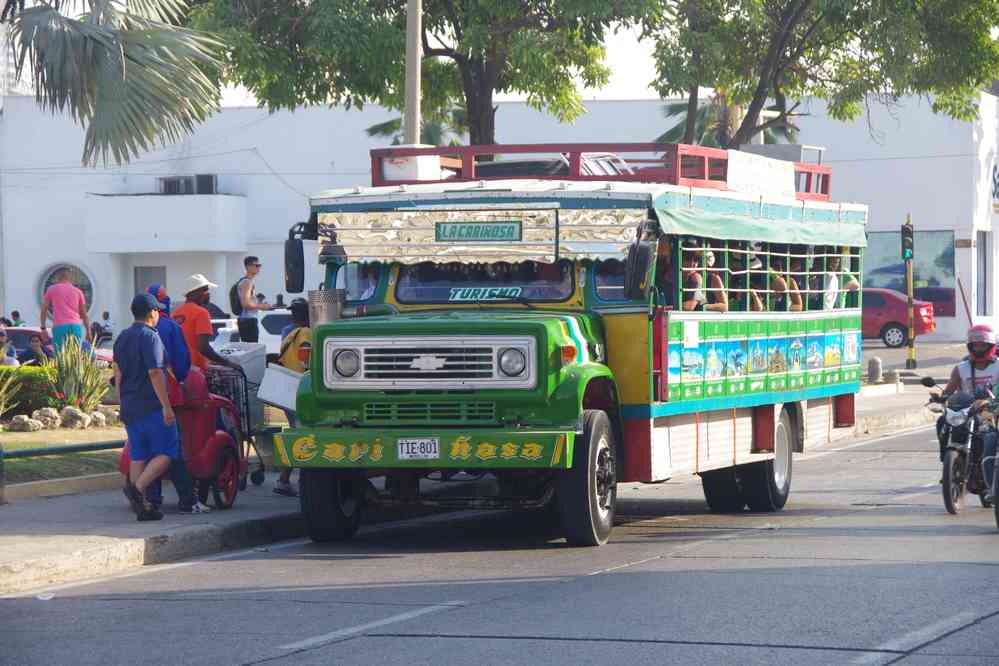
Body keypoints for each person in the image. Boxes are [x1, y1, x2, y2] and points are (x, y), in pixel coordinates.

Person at [142, 284, 210, 515]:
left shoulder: (127, 333)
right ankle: (187, 500)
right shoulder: (170, 326)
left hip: (140, 400)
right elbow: (181, 364)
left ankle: (152, 498)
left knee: (148, 450)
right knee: (173, 449)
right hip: (168, 397)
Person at [114, 293, 177, 522]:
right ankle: (137, 489)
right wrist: (167, 407)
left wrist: (122, 403)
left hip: (130, 405)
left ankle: (143, 507)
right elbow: (155, 372)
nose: (158, 314)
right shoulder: (151, 337)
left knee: (138, 455)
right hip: (151, 405)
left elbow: (118, 373)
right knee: (167, 452)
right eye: (157, 311)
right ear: (152, 313)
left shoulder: (122, 337)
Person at [934, 324, 999, 499]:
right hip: (966, 410)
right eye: (976, 345)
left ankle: (988, 478)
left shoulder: (998, 367)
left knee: (988, 438)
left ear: (991, 346)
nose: (979, 349)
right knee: (942, 422)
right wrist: (941, 397)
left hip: (989, 412)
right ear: (970, 346)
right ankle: (948, 460)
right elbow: (949, 389)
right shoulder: (961, 368)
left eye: (983, 345)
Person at [272, 298, 311, 497]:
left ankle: (286, 479)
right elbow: (306, 360)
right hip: (300, 388)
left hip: (288, 387)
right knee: (302, 435)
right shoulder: (305, 333)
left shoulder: (288, 332)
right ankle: (285, 480)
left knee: (297, 432)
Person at [173, 274, 240, 372]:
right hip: (196, 371)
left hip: (178, 369)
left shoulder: (175, 313)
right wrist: (227, 362)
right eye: (206, 290)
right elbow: (203, 347)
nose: (208, 294)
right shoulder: (201, 313)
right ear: (196, 292)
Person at [41, 267, 90, 350]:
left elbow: (44, 310)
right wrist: (88, 330)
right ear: (70, 278)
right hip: (76, 326)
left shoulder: (52, 289)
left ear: (59, 277)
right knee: (74, 355)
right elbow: (84, 314)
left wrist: (43, 328)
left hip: (60, 326)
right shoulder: (78, 291)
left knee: (60, 355)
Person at [233, 256, 273, 343]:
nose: (259, 268)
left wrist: (258, 302)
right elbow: (246, 304)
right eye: (256, 265)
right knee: (251, 349)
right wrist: (263, 306)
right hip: (248, 321)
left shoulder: (245, 281)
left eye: (259, 265)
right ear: (248, 267)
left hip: (246, 320)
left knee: (249, 348)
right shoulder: (247, 282)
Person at [681, 239, 726, 312]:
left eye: (696, 259)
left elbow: (725, 307)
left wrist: (703, 305)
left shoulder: (712, 278)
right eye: (687, 259)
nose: (692, 263)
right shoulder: (673, 277)